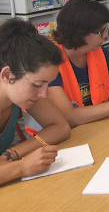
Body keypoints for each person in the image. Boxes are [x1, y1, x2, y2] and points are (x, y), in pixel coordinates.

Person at [27, 0, 109, 130]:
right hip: (63, 137)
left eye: (106, 29)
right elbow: (70, 117)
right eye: (101, 31)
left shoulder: (98, 52)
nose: (105, 35)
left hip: (97, 127)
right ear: (80, 32)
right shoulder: (50, 62)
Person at [0, 18, 70, 185]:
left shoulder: (20, 93)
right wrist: (21, 167)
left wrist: (12, 154)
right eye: (37, 85)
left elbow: (61, 127)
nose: (44, 94)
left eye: (48, 84)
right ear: (7, 75)